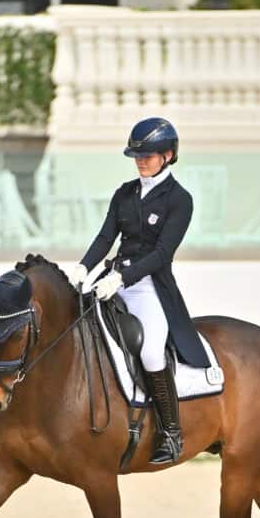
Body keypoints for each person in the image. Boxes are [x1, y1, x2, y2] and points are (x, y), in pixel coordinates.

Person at [66, 117, 211, 466]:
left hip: (149, 288)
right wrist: (84, 266)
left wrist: (124, 278)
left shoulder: (180, 200)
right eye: (137, 156)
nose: (141, 161)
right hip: (110, 279)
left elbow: (163, 254)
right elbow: (106, 237)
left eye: (148, 155)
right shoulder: (125, 193)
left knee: (149, 354)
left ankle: (171, 432)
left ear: (169, 155)